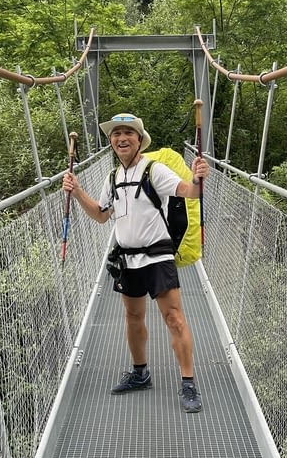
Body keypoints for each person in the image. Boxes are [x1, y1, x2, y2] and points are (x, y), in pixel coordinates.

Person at [62, 113, 210, 413]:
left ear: (140, 140)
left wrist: (197, 178)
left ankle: (188, 382)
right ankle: (140, 373)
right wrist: (77, 191)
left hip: (158, 257)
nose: (121, 138)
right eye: (116, 134)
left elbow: (191, 192)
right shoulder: (111, 178)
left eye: (128, 133)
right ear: (112, 142)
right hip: (127, 258)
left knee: (174, 318)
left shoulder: (155, 171)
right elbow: (102, 215)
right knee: (132, 317)